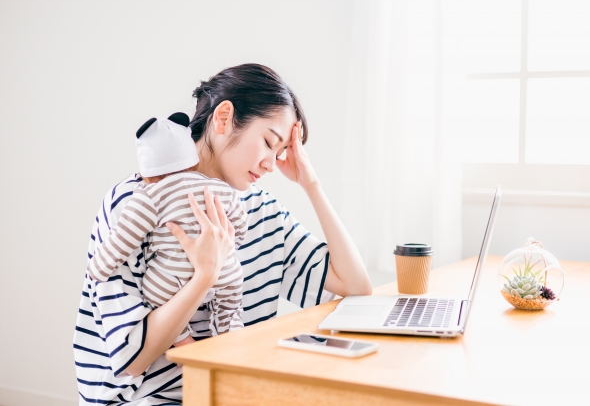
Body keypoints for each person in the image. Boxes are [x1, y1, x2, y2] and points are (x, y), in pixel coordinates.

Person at [73, 63, 372, 405]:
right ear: (224, 117)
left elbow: (354, 285)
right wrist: (204, 277)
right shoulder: (138, 204)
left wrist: (311, 185)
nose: (271, 165)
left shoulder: (258, 210)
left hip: (230, 389)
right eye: (268, 143)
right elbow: (131, 359)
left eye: (280, 153)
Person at [87, 112, 247, 345]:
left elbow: (122, 239)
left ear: (148, 174)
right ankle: (230, 335)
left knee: (154, 297)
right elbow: (239, 226)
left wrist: (97, 269)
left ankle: (182, 341)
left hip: (172, 274)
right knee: (231, 296)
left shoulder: (149, 196)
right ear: (192, 160)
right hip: (223, 266)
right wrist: (230, 246)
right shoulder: (219, 188)